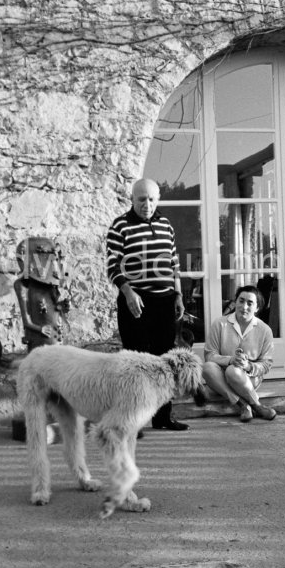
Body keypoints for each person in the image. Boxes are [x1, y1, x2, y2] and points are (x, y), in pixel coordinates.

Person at [106, 178, 189, 431]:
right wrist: (128, 292)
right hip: (136, 303)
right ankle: (134, 422)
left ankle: (163, 418)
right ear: (132, 199)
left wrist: (178, 294)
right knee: (137, 365)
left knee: (164, 363)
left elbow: (174, 263)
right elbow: (112, 266)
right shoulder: (120, 226)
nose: (147, 204)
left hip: (165, 302)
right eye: (142, 199)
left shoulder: (166, 224)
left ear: (158, 199)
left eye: (152, 199)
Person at [202, 284, 276, 422]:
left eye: (250, 303)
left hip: (248, 378)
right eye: (241, 301)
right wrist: (230, 360)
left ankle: (253, 405)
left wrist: (248, 366)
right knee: (207, 368)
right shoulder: (219, 324)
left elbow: (266, 365)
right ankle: (244, 405)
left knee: (233, 371)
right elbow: (209, 355)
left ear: (257, 308)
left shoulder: (265, 330)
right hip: (221, 376)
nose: (244, 306)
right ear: (235, 302)